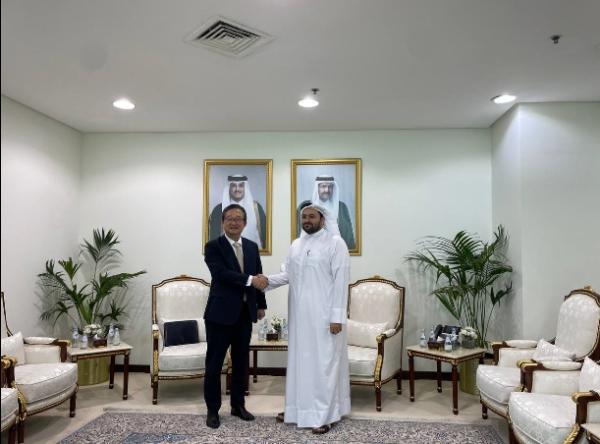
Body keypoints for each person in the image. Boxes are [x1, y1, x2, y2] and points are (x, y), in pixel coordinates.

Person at [265, 203, 351, 434]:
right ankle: (296, 410)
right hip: (299, 317)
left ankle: (325, 416)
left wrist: (337, 317)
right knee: (300, 364)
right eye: (304, 217)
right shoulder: (296, 245)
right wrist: (264, 282)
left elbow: (341, 281)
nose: (307, 220)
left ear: (323, 219)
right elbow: (288, 274)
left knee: (324, 366)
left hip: (325, 318)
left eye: (312, 216)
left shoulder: (336, 243)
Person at [203, 203, 269, 429]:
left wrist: (260, 304)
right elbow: (221, 274)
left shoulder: (251, 246)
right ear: (223, 222)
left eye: (238, 218)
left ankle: (238, 405)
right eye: (229, 218)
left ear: (245, 223)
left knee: (241, 363)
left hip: (244, 314)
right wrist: (251, 280)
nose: (233, 222)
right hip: (219, 315)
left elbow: (258, 274)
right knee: (214, 364)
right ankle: (213, 410)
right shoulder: (213, 246)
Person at [296, 175, 355, 249]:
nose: (327, 190)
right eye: (323, 186)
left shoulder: (342, 207)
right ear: (317, 188)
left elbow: (348, 234)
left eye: (330, 187)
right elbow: (298, 233)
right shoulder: (305, 207)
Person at [209, 175, 267, 248]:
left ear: (245, 188)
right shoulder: (218, 210)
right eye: (234, 186)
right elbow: (213, 238)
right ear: (229, 188)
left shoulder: (257, 208)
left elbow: (265, 236)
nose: (237, 189)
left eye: (240, 186)